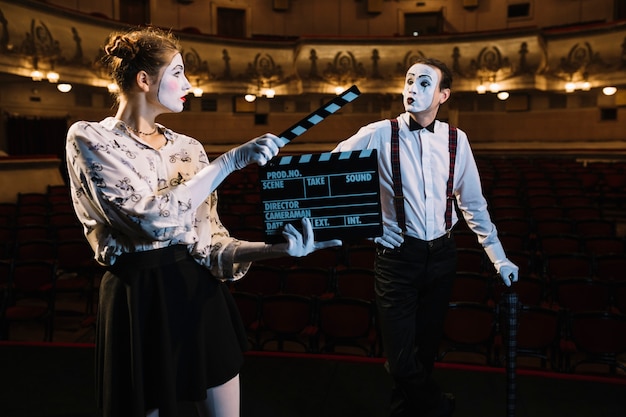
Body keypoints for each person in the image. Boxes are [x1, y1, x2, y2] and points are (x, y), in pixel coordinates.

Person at [65, 26, 340, 417]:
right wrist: (228, 162)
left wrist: (277, 250)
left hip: (199, 292)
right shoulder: (90, 139)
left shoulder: (189, 148)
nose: (189, 84)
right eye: (178, 73)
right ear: (144, 80)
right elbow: (151, 222)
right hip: (138, 299)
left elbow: (210, 245)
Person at [332, 57, 519, 417]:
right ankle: (439, 408)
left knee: (425, 353)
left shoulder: (456, 139)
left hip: (443, 257)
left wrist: (499, 257)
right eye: (409, 81)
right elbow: (330, 177)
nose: (412, 89)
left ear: (442, 95)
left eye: (423, 84)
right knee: (402, 361)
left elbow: (474, 205)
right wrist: (368, 226)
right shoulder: (377, 133)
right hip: (397, 260)